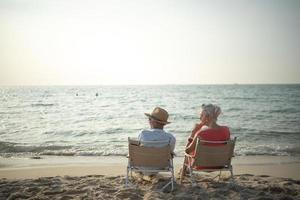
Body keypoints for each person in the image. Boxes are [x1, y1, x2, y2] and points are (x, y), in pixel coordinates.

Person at [181, 104, 230, 177]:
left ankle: (183, 173)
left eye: (202, 115)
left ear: (207, 117)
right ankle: (184, 171)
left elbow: (187, 151)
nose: (199, 117)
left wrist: (193, 133)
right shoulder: (226, 130)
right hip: (220, 164)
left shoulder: (200, 133)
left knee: (189, 153)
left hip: (201, 166)